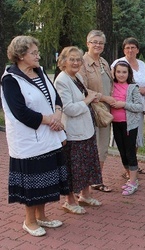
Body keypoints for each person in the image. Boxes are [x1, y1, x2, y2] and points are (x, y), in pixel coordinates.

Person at [1, 36, 69, 236]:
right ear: (21, 56)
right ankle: (29, 221)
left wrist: (57, 114)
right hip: (29, 141)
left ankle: (42, 216)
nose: (38, 56)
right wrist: (50, 120)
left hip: (49, 136)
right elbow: (20, 112)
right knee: (33, 181)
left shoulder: (39, 72)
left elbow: (54, 95)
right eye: (34, 53)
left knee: (46, 179)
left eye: (37, 52)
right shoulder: (10, 80)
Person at [54, 46, 103, 213]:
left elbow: (83, 96)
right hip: (73, 132)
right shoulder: (62, 80)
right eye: (72, 59)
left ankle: (85, 196)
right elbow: (69, 109)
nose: (76, 62)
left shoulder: (77, 77)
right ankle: (70, 201)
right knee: (73, 168)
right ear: (63, 62)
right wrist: (88, 100)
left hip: (86, 129)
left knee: (87, 164)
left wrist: (92, 97)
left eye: (78, 59)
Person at [111, 37, 145, 178]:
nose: (130, 50)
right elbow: (115, 83)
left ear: (137, 49)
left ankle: (133, 164)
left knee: (135, 137)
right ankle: (128, 169)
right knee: (125, 139)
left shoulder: (142, 64)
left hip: (139, 106)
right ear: (123, 49)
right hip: (123, 108)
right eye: (127, 48)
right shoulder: (118, 63)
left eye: (133, 47)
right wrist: (137, 88)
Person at [79, 30, 114, 192]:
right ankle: (84, 185)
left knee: (102, 147)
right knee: (89, 148)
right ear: (87, 43)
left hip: (105, 112)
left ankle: (97, 180)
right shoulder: (81, 63)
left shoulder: (104, 63)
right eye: (94, 42)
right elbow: (82, 89)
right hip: (90, 111)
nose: (98, 45)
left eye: (100, 42)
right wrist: (104, 98)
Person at [110, 61, 143, 195]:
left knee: (130, 153)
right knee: (122, 153)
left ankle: (134, 182)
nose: (121, 75)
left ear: (129, 73)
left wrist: (124, 104)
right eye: (118, 72)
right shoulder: (111, 87)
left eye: (124, 72)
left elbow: (139, 107)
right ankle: (131, 178)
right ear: (114, 73)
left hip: (129, 125)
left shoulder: (133, 87)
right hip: (115, 124)